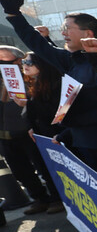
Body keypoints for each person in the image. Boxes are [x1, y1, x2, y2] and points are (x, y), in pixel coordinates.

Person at [0, 0, 97, 195]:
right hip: (83, 143)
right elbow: (39, 46)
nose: (64, 32)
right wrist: (14, 14)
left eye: (68, 28)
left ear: (88, 33)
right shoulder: (71, 60)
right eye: (63, 28)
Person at [0, 46, 62, 214]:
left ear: (18, 61)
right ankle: (39, 198)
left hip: (30, 132)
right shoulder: (6, 79)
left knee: (44, 167)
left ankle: (57, 198)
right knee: (20, 170)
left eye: (5, 62)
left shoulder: (35, 80)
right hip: (6, 133)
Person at [18, 51, 65, 213]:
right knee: (43, 167)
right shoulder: (34, 83)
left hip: (55, 134)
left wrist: (29, 104)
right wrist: (30, 125)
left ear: (42, 64)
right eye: (24, 62)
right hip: (39, 134)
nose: (25, 66)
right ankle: (54, 197)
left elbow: (53, 113)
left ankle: (60, 199)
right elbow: (31, 114)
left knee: (58, 167)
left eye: (30, 62)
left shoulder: (55, 84)